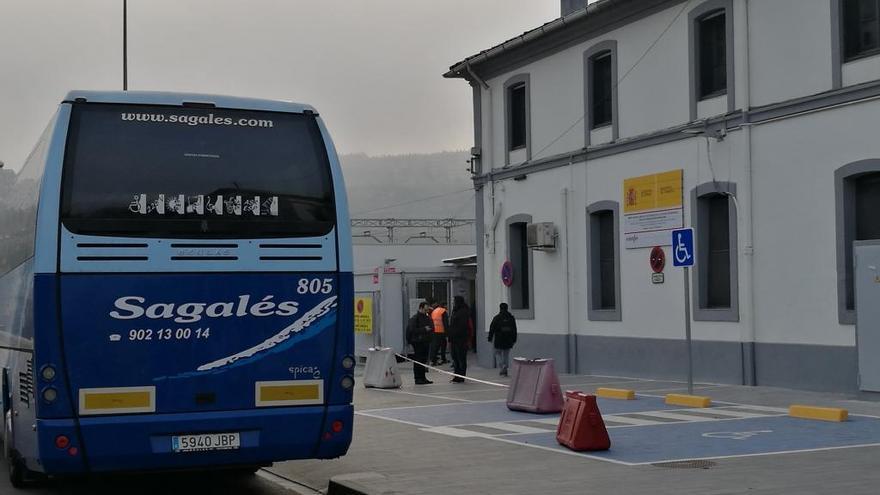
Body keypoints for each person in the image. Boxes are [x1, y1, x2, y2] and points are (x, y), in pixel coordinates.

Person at [406, 302, 434, 384]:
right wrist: (424, 329)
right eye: (425, 309)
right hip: (418, 342)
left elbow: (432, 327)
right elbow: (412, 330)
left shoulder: (427, 317)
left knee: (424, 360)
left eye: (427, 310)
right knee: (418, 360)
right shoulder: (415, 318)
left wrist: (430, 330)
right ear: (421, 308)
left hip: (426, 341)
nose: (426, 311)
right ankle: (418, 378)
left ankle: (423, 377)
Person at [488, 303, 517, 376]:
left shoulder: (497, 318)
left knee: (497, 353)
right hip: (508, 339)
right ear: (507, 308)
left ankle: (502, 366)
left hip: (499, 339)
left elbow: (492, 328)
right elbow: (514, 329)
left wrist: (490, 337)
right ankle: (505, 367)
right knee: (506, 354)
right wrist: (514, 339)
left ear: (500, 308)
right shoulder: (511, 317)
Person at [448, 296, 471, 383]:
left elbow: (462, 327)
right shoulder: (455, 311)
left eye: (454, 301)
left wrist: (454, 334)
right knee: (455, 359)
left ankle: (461, 377)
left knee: (461, 359)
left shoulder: (463, 312)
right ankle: (456, 376)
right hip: (454, 339)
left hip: (461, 340)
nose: (453, 303)